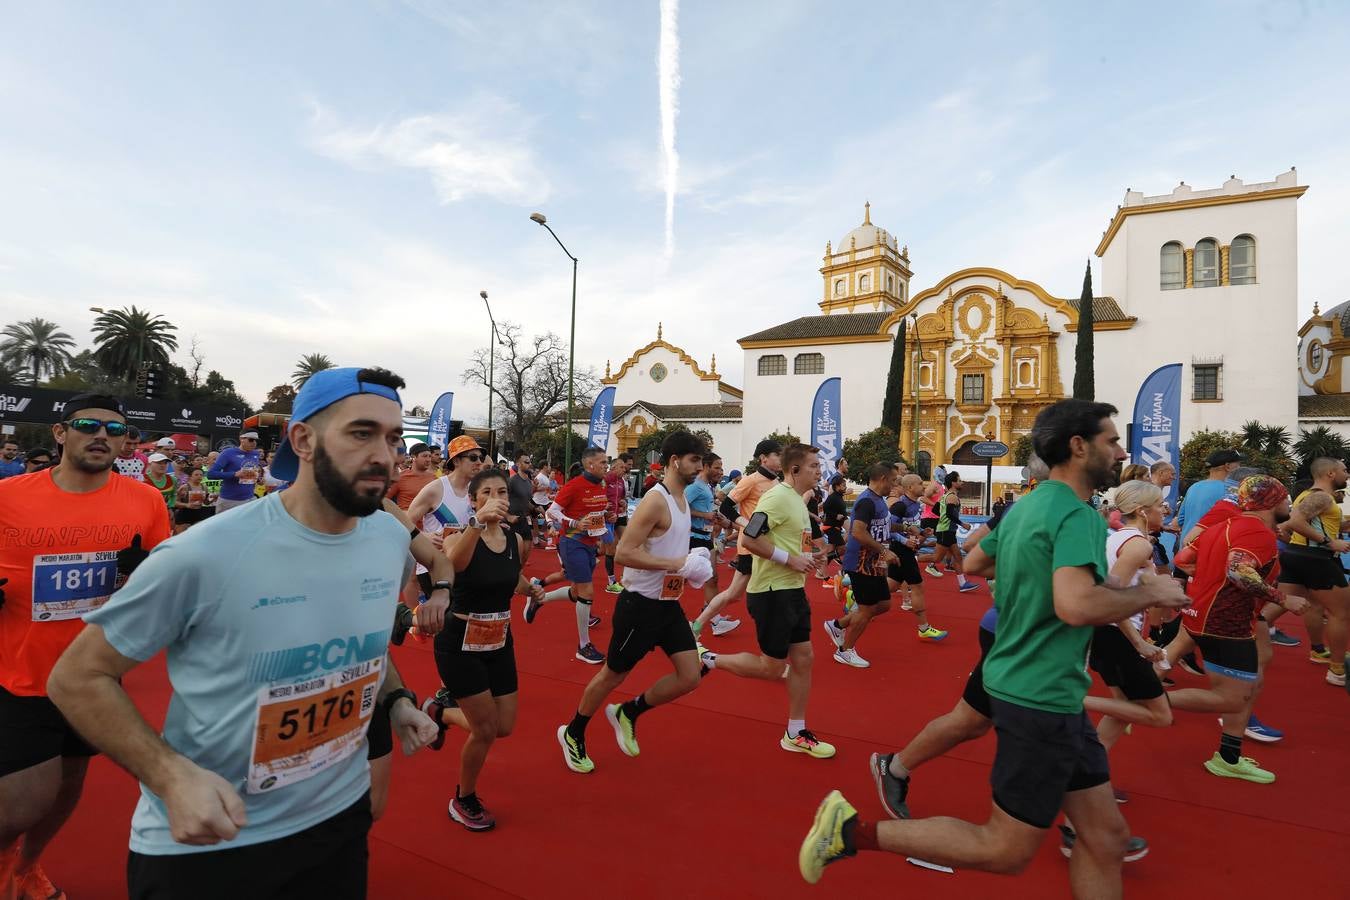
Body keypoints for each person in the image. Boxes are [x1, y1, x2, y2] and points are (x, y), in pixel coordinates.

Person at [47, 368, 441, 899]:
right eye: (361, 433)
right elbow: (78, 676)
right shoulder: (206, 553)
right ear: (302, 439)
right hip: (212, 844)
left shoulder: (388, 539)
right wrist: (169, 776)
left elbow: (359, 638)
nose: (384, 455)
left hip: (339, 821)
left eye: (393, 438)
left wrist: (395, 701)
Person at [799, 399, 1190, 898]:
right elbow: (1076, 606)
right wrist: (1149, 593)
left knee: (1106, 837)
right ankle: (847, 832)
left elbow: (977, 562)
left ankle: (890, 774)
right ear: (1078, 446)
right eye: (1110, 440)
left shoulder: (1027, 505)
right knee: (1005, 849)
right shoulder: (1078, 516)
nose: (1119, 451)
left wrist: (1032, 584)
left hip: (1045, 687)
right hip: (1039, 696)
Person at [0, 393, 173, 900]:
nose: (102, 436)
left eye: (115, 431)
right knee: (15, 806)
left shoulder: (145, 501)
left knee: (66, 788)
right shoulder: (8, 495)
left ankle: (28, 867)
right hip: (21, 673)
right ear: (61, 433)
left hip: (96, 673)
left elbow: (161, 573)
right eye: (88, 425)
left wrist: (144, 578)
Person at [867, 456, 1048, 825]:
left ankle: (895, 767)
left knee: (977, 721)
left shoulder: (1053, 507)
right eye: (1109, 443)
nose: (1120, 453)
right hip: (1017, 632)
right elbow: (976, 556)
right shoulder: (1034, 507)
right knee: (1011, 722)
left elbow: (976, 552)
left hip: (1032, 634)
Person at [557, 432, 711, 774]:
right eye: (695, 461)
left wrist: (690, 563)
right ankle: (573, 732)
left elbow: (669, 550)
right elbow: (625, 552)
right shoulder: (657, 500)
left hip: (668, 603)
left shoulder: (682, 499)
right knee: (612, 675)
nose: (700, 467)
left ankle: (629, 712)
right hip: (640, 605)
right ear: (676, 461)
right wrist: (675, 564)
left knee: (690, 676)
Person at [420, 468, 542, 830]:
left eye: (501, 492)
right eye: (486, 493)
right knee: (485, 730)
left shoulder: (513, 539)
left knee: (502, 725)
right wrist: (475, 523)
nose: (496, 499)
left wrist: (528, 589)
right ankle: (464, 797)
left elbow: (508, 576)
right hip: (459, 641)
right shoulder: (459, 536)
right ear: (473, 502)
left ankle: (440, 713)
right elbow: (454, 565)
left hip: (499, 639)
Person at [699, 443, 836, 758]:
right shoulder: (775, 498)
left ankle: (795, 731)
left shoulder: (798, 502)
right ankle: (708, 660)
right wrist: (790, 559)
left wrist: (808, 556)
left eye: (819, 465)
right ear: (795, 469)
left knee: (804, 659)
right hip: (772, 593)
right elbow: (748, 539)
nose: (819, 470)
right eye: (814, 465)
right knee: (772, 669)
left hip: (792, 590)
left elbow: (788, 541)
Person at [525, 447, 611, 663]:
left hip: (590, 543)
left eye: (606, 462)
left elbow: (594, 515)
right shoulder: (574, 485)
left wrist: (601, 529)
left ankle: (539, 599)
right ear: (590, 464)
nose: (606, 466)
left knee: (576, 592)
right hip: (572, 542)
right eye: (602, 462)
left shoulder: (600, 485)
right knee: (587, 591)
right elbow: (551, 511)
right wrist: (573, 523)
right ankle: (583, 646)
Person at [690, 440, 783, 636]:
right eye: (778, 454)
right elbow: (725, 507)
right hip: (750, 547)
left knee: (766, 589)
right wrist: (746, 524)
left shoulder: (777, 482)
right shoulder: (750, 480)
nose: (782, 459)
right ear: (763, 458)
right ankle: (698, 624)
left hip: (768, 545)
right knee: (734, 593)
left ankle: (701, 623)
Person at [1274, 456, 1349, 683]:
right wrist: (1329, 542)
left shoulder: (1307, 496)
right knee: (1341, 613)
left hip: (1298, 556)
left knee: (1280, 606)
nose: (1348, 474)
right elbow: (1296, 521)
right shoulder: (1321, 497)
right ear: (1330, 474)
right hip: (1316, 559)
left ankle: (1318, 650)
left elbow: (1286, 525)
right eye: (1344, 470)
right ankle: (1337, 670)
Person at [823, 463, 899, 668]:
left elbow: (884, 525)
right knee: (866, 610)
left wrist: (907, 528)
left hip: (874, 563)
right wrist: (884, 551)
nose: (894, 485)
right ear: (882, 478)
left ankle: (837, 625)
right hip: (861, 563)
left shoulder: (878, 500)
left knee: (884, 605)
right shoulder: (866, 501)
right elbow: (858, 532)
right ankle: (845, 651)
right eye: (892, 480)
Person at [407, 435, 484, 596]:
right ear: (456, 461)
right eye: (473, 457)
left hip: (466, 565)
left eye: (480, 458)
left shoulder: (477, 490)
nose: (479, 462)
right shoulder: (435, 489)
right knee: (442, 619)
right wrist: (423, 536)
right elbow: (404, 524)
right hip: (435, 567)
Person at [885, 473, 948, 641]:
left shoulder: (916, 504)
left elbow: (911, 528)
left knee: (890, 586)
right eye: (920, 484)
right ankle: (924, 628)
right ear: (910, 488)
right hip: (900, 551)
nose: (924, 486)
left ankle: (855, 597)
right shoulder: (900, 506)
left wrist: (922, 533)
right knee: (918, 587)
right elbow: (888, 528)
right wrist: (905, 541)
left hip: (907, 550)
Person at [686, 452, 738, 634]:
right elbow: (679, 507)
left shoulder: (706, 486)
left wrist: (715, 516)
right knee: (681, 580)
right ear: (706, 466)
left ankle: (713, 618)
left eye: (721, 467)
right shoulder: (695, 486)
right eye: (717, 467)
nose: (720, 471)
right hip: (693, 538)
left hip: (706, 537)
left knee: (712, 578)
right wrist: (705, 515)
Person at [932, 472, 978, 592]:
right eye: (959, 480)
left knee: (957, 556)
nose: (961, 482)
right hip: (946, 530)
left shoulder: (945, 495)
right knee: (937, 558)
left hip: (947, 530)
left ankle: (963, 584)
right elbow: (949, 514)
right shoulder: (952, 497)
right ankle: (913, 560)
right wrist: (963, 524)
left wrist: (943, 519)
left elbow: (935, 510)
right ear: (953, 483)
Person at [207, 430, 262, 512]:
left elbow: (251, 473)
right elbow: (211, 474)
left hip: (250, 498)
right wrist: (234, 474)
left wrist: (258, 479)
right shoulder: (228, 453)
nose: (254, 443)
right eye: (251, 440)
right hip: (229, 500)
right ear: (241, 439)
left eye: (256, 440)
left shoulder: (255, 454)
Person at [602, 453, 633, 594]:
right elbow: (598, 495)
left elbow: (621, 497)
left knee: (628, 543)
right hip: (606, 518)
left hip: (618, 516)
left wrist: (623, 503)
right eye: (621, 467)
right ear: (613, 467)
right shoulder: (606, 479)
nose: (624, 469)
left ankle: (626, 576)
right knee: (609, 549)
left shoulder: (621, 481)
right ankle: (611, 582)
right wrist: (605, 506)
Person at [506, 452, 539, 563]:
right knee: (515, 554)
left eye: (530, 462)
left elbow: (526, 500)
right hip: (511, 521)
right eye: (526, 462)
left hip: (523, 519)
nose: (529, 464)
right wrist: (508, 516)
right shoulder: (512, 481)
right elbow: (500, 499)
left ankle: (519, 573)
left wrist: (535, 508)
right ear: (518, 464)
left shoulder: (529, 482)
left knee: (526, 551)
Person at [385, 442, 437, 510]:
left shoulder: (434, 478)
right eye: (424, 456)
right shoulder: (401, 477)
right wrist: (397, 515)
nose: (428, 460)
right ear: (413, 457)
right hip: (405, 519)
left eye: (429, 456)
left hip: (428, 520)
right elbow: (385, 500)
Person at [174, 467, 216, 534]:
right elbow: (174, 503)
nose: (199, 476)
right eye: (196, 475)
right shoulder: (184, 487)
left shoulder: (204, 487)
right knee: (182, 538)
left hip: (199, 513)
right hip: (184, 515)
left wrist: (213, 499)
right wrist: (187, 505)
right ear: (190, 476)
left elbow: (206, 502)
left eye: (201, 475)